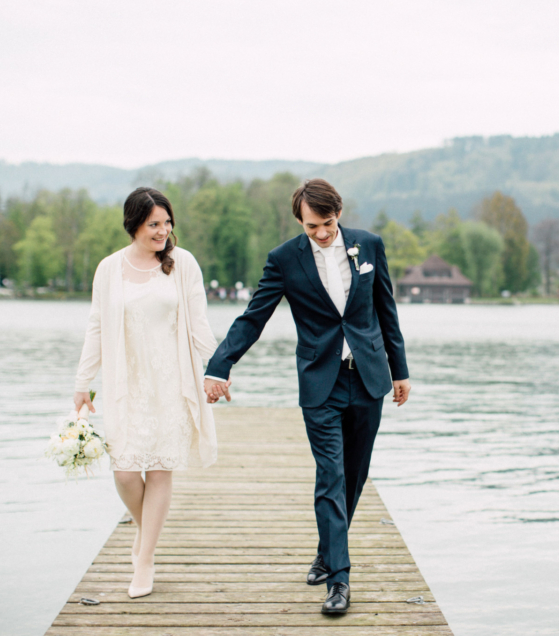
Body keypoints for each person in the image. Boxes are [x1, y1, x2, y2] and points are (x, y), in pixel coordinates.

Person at [203, 178, 411, 614]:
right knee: (330, 477)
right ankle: (339, 579)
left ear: (339, 214)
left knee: (354, 477)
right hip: (321, 382)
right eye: (312, 226)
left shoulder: (368, 246)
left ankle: (325, 552)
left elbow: (386, 311)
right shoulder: (284, 259)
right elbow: (253, 317)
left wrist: (400, 372)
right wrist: (221, 364)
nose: (321, 233)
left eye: (328, 223)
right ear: (300, 220)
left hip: (369, 378)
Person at [73, 187, 219, 599]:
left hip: (171, 384)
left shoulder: (182, 263)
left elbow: (199, 323)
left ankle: (145, 558)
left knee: (157, 470)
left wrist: (219, 368)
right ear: (134, 224)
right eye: (154, 224)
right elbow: (96, 325)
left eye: (167, 223)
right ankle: (145, 534)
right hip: (126, 384)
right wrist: (82, 382)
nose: (163, 231)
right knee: (124, 471)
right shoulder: (109, 269)